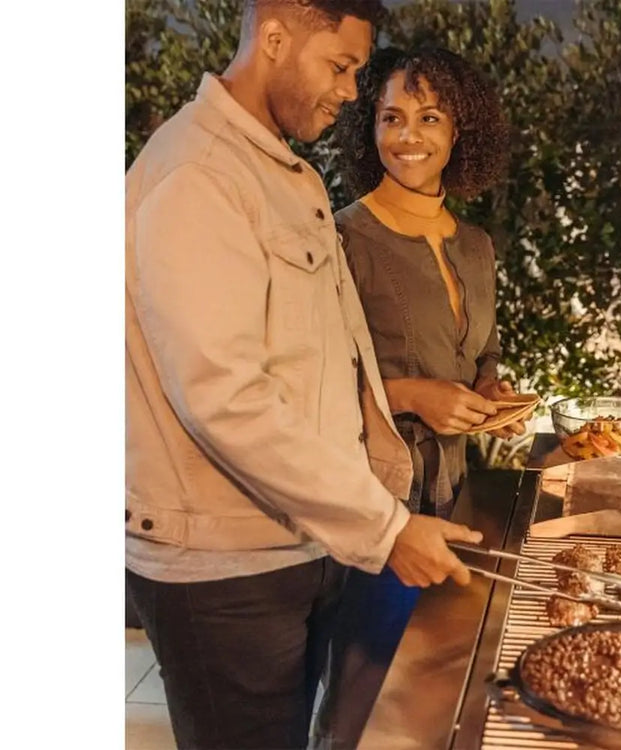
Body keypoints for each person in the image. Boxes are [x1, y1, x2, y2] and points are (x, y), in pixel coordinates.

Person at [124, 3, 484, 748]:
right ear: (276, 38)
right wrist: (386, 528)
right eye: (343, 66)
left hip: (296, 543)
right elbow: (226, 400)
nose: (352, 93)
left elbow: (328, 364)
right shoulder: (197, 175)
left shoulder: (281, 173)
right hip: (224, 572)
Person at [313, 46, 525, 748]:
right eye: (391, 117)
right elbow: (308, 379)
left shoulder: (475, 244)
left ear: (459, 130)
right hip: (377, 501)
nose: (409, 136)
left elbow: (480, 353)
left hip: (455, 493)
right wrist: (409, 395)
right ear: (367, 128)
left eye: (429, 117)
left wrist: (490, 391)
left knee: (426, 702)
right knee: (362, 698)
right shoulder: (343, 238)